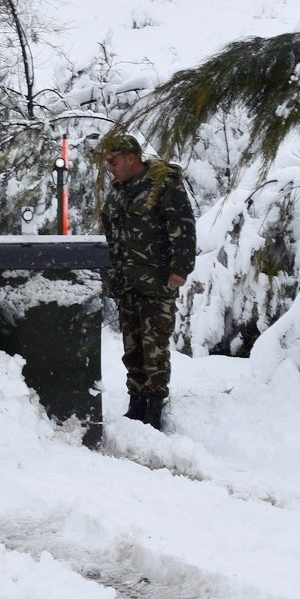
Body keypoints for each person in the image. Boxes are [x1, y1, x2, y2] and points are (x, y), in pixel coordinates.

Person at [97, 131, 196, 430]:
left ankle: (154, 408)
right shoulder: (118, 191)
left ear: (131, 157)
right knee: (132, 347)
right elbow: (112, 236)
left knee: (154, 348)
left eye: (113, 161)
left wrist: (181, 268)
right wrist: (109, 274)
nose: (110, 168)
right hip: (127, 282)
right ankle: (136, 403)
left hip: (156, 281)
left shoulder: (163, 186)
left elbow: (183, 227)